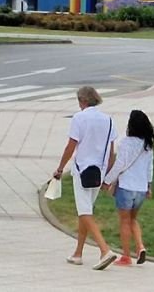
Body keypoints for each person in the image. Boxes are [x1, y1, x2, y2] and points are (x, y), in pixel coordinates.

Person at [52, 85, 118, 270]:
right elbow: (111, 151)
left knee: (84, 212)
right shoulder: (109, 120)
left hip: (82, 170)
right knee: (86, 211)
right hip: (99, 172)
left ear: (83, 100)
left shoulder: (79, 118)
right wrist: (108, 176)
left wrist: (60, 168)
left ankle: (104, 250)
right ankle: (78, 253)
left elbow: (71, 146)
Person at [103, 109, 154, 266]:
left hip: (126, 186)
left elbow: (120, 164)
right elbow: (150, 167)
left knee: (124, 221)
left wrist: (107, 180)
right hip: (141, 188)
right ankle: (140, 247)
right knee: (133, 219)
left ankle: (126, 256)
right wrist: (149, 186)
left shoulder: (125, 142)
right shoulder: (148, 145)